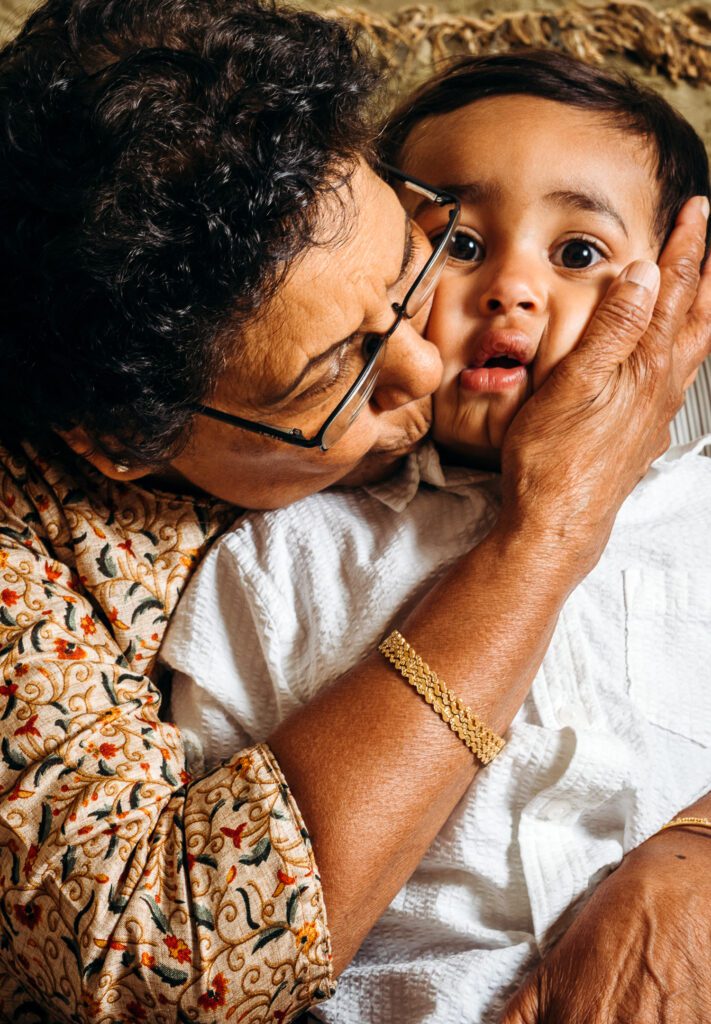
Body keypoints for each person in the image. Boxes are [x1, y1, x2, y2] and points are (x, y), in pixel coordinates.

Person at [0, 1, 708, 1021]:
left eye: (404, 269)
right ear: (127, 441)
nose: (423, 365)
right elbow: (171, 960)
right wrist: (551, 528)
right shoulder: (259, 566)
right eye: (341, 374)